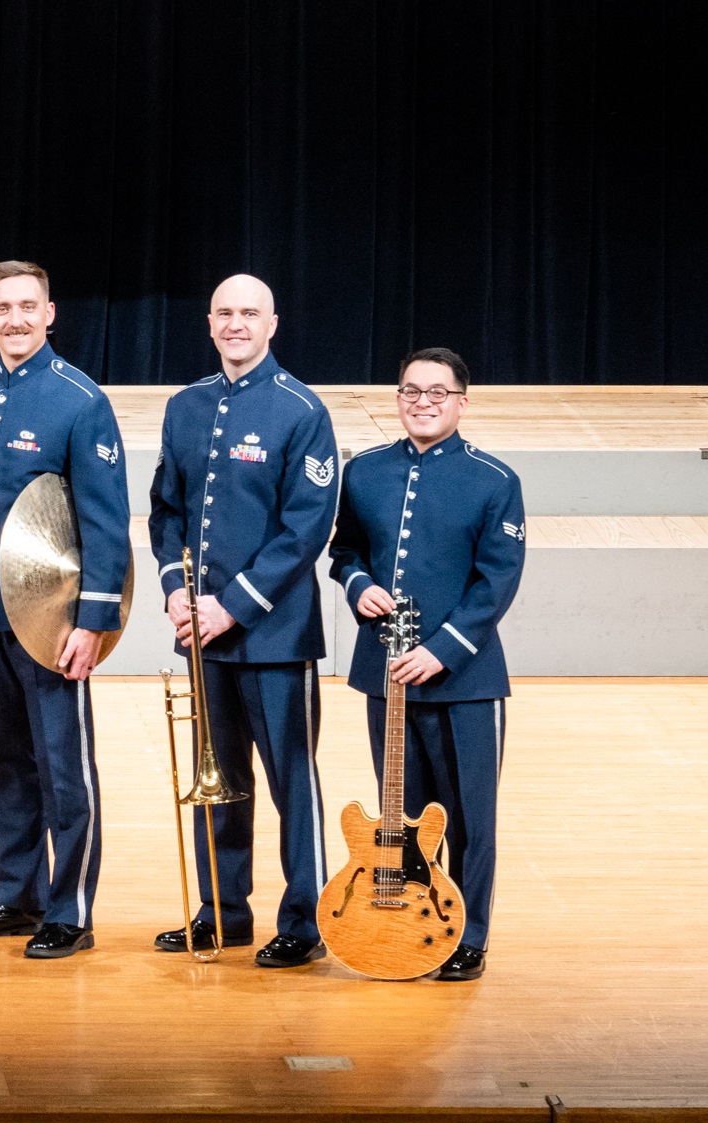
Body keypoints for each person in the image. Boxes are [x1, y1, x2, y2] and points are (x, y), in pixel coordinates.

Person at [0, 261, 129, 960]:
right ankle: (15, 896)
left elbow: (106, 523)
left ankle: (68, 910)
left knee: (61, 768)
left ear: (49, 313)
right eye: (1, 308)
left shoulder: (80, 400)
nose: (14, 318)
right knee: (3, 764)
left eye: (27, 306)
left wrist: (94, 621)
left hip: (52, 624)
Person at [145, 274, 339, 969]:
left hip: (275, 636)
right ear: (208, 323)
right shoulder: (185, 405)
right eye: (224, 313)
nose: (235, 324)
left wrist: (231, 605)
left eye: (248, 313)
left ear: (271, 324)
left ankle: (306, 921)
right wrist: (173, 588)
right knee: (216, 782)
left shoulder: (301, 409)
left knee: (292, 783)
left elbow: (304, 528)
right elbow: (165, 509)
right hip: (199, 634)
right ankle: (221, 913)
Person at [328, 348, 523, 982]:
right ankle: (411, 926)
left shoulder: (495, 480)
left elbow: (497, 580)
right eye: (412, 391)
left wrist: (440, 651)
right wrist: (357, 584)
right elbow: (345, 549)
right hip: (384, 676)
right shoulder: (365, 472)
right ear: (398, 398)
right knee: (403, 820)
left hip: (467, 681)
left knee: (469, 817)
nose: (423, 402)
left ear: (462, 403)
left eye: (438, 393)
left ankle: (470, 935)